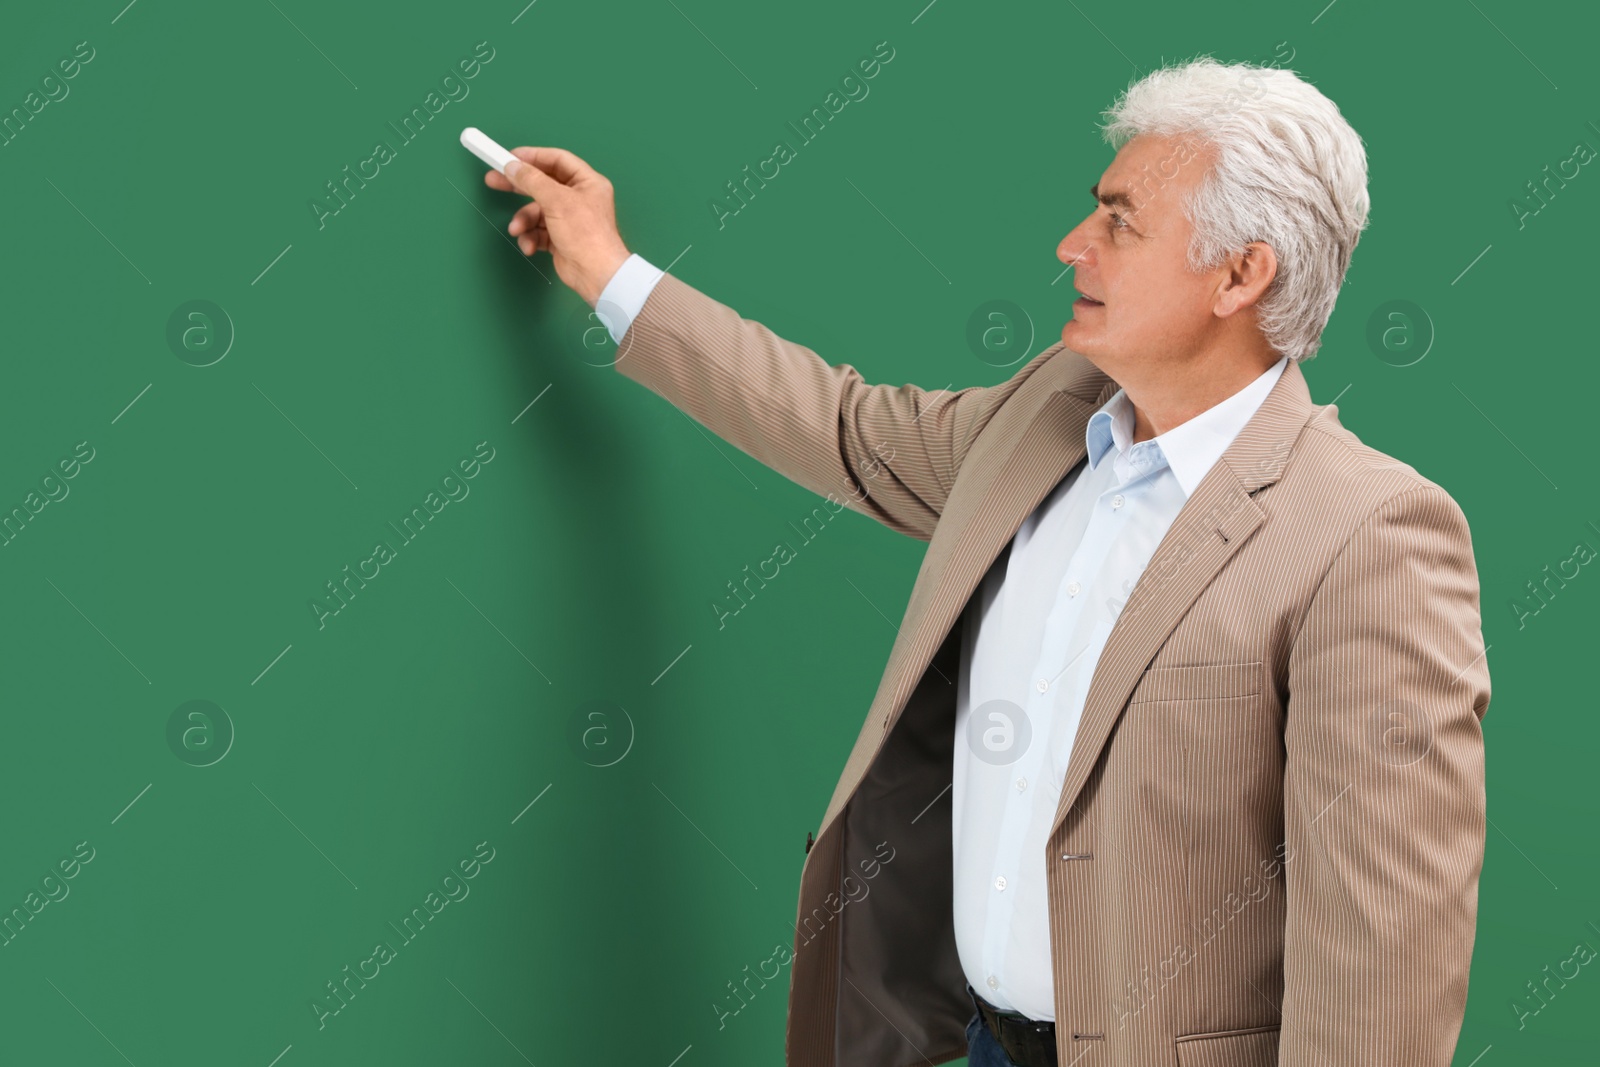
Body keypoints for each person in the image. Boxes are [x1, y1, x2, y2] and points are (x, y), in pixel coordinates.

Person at [479, 55, 1490, 1067]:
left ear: (1241, 273)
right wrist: (612, 275)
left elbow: (1380, 959)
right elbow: (846, 430)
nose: (1072, 246)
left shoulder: (1369, 535)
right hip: (980, 1042)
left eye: (1119, 222)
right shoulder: (1048, 410)